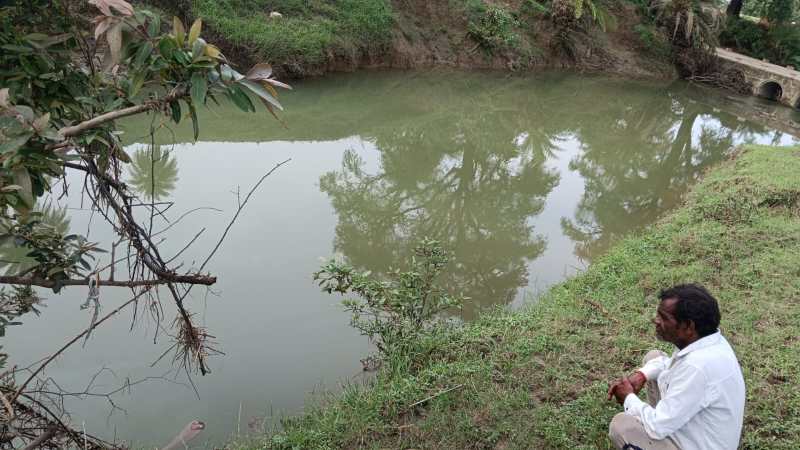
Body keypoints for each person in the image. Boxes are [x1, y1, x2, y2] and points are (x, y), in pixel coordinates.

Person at [606, 284, 746, 450]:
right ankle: (662, 417)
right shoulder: (708, 341)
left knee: (622, 426)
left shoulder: (697, 368)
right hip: (693, 429)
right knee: (654, 358)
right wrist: (642, 375)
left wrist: (628, 397)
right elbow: (666, 365)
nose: (655, 321)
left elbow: (657, 427)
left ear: (688, 326)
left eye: (664, 318)